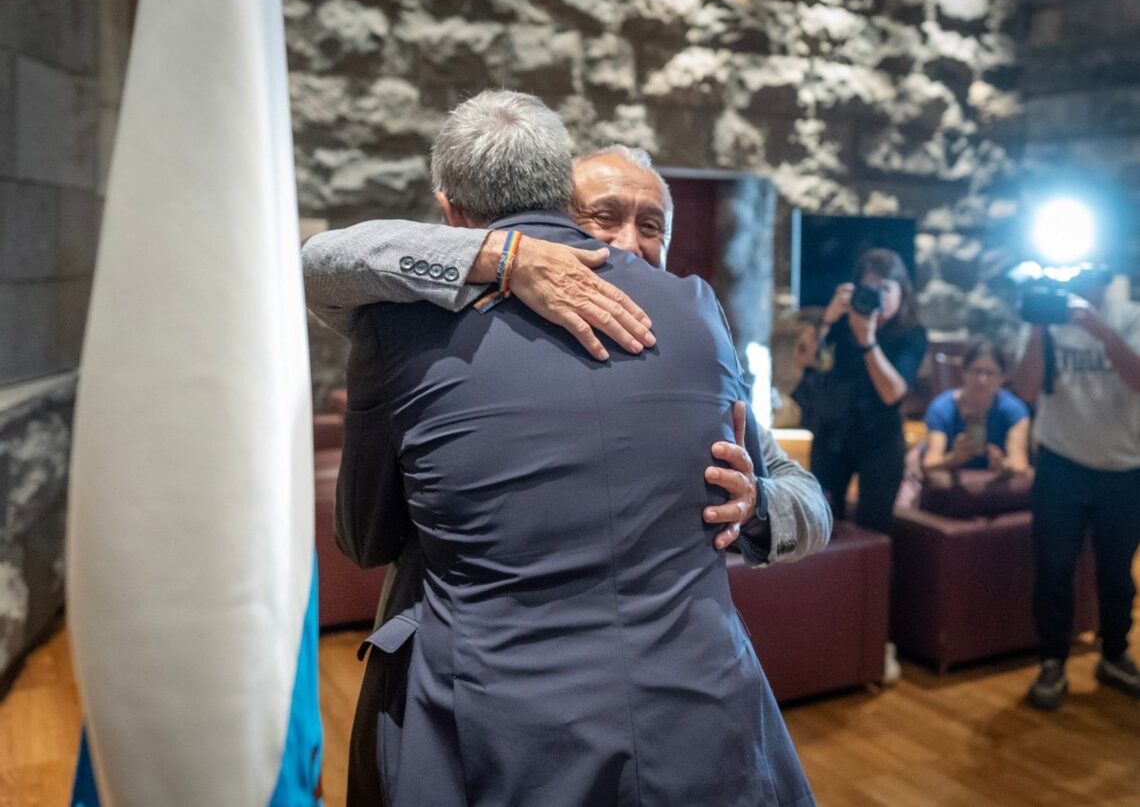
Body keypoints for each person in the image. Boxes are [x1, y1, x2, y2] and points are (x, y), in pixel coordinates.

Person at [305, 141, 831, 804]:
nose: (630, 245)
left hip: (681, 704)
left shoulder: (699, 341)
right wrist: (503, 257)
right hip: (496, 711)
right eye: (602, 218)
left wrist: (759, 505)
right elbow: (328, 261)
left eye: (651, 225)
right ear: (551, 224)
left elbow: (810, 501)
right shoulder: (450, 331)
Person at [1012, 269, 1140, 710]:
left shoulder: (1132, 317)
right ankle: (1052, 661)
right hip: (1060, 463)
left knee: (1117, 570)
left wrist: (1101, 331)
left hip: (1124, 466)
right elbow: (1026, 387)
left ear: (1106, 282)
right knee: (1053, 569)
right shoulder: (1043, 317)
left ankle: (1114, 653)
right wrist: (1038, 328)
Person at [809, 248, 927, 532]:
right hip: (834, 434)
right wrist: (827, 320)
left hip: (881, 439)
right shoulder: (841, 324)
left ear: (902, 291)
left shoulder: (912, 333)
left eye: (886, 288)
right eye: (870, 289)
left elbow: (893, 392)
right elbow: (808, 363)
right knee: (822, 521)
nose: (878, 297)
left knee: (875, 525)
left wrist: (867, 340)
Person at [922, 338, 1030, 474]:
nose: (982, 380)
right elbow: (930, 462)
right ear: (964, 372)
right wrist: (954, 458)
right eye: (976, 371)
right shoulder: (941, 408)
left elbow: (1020, 464)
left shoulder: (1014, 410)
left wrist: (1002, 464)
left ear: (1002, 377)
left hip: (996, 488)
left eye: (990, 373)